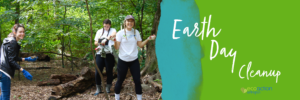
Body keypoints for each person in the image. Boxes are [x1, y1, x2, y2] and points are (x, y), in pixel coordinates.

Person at [112, 15, 156, 100]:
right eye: (128, 21)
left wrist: (148, 39)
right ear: (125, 22)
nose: (130, 22)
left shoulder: (136, 32)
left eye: (131, 21)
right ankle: (117, 98)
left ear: (133, 23)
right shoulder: (120, 33)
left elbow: (140, 45)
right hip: (123, 60)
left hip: (134, 60)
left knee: (137, 80)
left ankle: (139, 98)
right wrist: (114, 41)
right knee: (120, 80)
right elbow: (117, 47)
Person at [0, 24, 38, 100]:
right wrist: (23, 71)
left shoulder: (8, 40)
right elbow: (11, 61)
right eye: (20, 32)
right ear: (15, 32)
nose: (22, 34)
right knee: (5, 97)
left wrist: (26, 59)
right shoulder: (13, 43)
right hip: (5, 72)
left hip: (1, 70)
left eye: (23, 32)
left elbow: (11, 57)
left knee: (3, 95)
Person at [93, 19, 117, 95]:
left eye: (107, 26)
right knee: (98, 72)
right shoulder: (99, 31)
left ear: (110, 25)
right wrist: (101, 42)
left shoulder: (113, 30)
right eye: (105, 26)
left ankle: (108, 88)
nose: (106, 27)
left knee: (109, 71)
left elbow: (113, 34)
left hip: (109, 53)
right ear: (103, 25)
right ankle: (98, 88)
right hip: (100, 53)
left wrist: (106, 39)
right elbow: (95, 42)